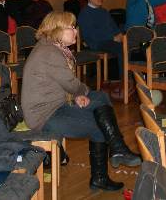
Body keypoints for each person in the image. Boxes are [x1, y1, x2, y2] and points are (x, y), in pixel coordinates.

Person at [21, 11, 140, 191]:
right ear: (57, 30)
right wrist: (80, 92)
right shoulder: (49, 53)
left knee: (101, 97)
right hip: (44, 117)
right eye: (71, 27)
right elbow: (71, 83)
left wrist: (78, 93)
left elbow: (67, 84)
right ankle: (105, 170)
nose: (76, 31)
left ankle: (118, 149)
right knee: (99, 124)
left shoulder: (52, 47)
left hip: (57, 104)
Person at [78, 0, 124, 82]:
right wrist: (112, 37)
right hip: (97, 43)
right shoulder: (85, 13)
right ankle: (123, 80)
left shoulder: (104, 11)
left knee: (130, 45)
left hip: (109, 40)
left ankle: (132, 76)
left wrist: (120, 34)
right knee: (122, 48)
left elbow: (114, 26)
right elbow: (91, 35)